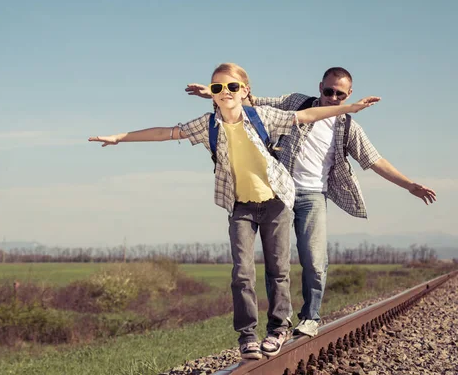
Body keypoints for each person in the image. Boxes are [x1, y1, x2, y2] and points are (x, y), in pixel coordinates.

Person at [89, 63, 379, 359]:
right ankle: (248, 336)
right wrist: (120, 137)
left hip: (276, 203)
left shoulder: (262, 116)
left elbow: (306, 115)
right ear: (212, 94)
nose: (224, 92)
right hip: (240, 206)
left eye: (231, 87)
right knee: (242, 273)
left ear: (245, 91)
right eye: (217, 88)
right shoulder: (208, 124)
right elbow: (165, 132)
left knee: (278, 271)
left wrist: (349, 109)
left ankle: (278, 329)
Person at [184, 66, 435, 338]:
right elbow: (251, 102)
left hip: (314, 196)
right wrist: (214, 92)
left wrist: (409, 185)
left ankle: (310, 317)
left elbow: (375, 161)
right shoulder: (297, 103)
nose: (333, 98)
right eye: (329, 91)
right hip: (279, 191)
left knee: (315, 261)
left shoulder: (348, 126)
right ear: (320, 88)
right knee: (275, 263)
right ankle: (279, 322)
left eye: (340, 94)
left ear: (349, 94)